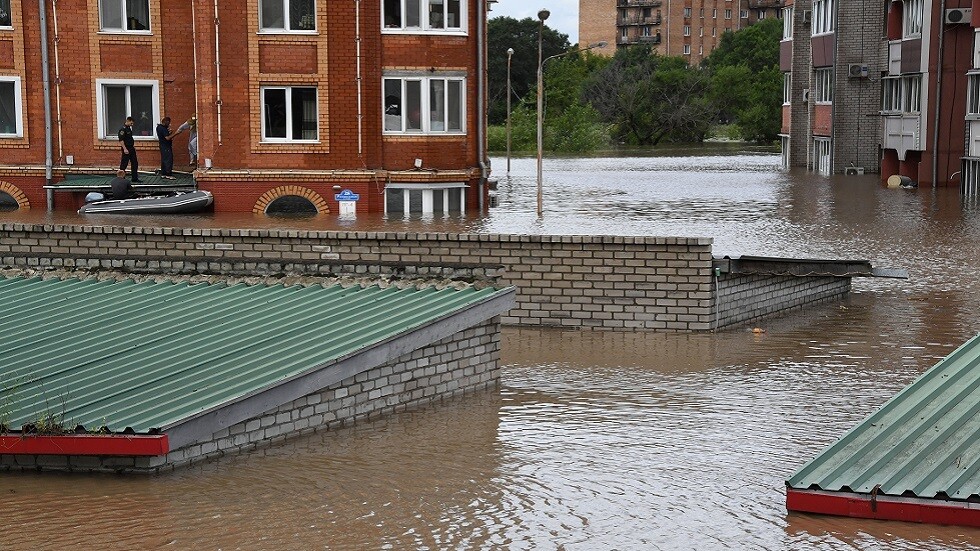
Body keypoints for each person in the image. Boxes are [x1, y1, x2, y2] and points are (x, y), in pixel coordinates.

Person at [118, 116, 141, 182]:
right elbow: (121, 140)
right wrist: (125, 149)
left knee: (134, 163)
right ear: (127, 121)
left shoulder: (128, 128)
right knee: (124, 164)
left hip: (131, 147)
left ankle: (134, 178)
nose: (132, 125)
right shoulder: (123, 129)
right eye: (131, 123)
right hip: (126, 148)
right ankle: (121, 178)